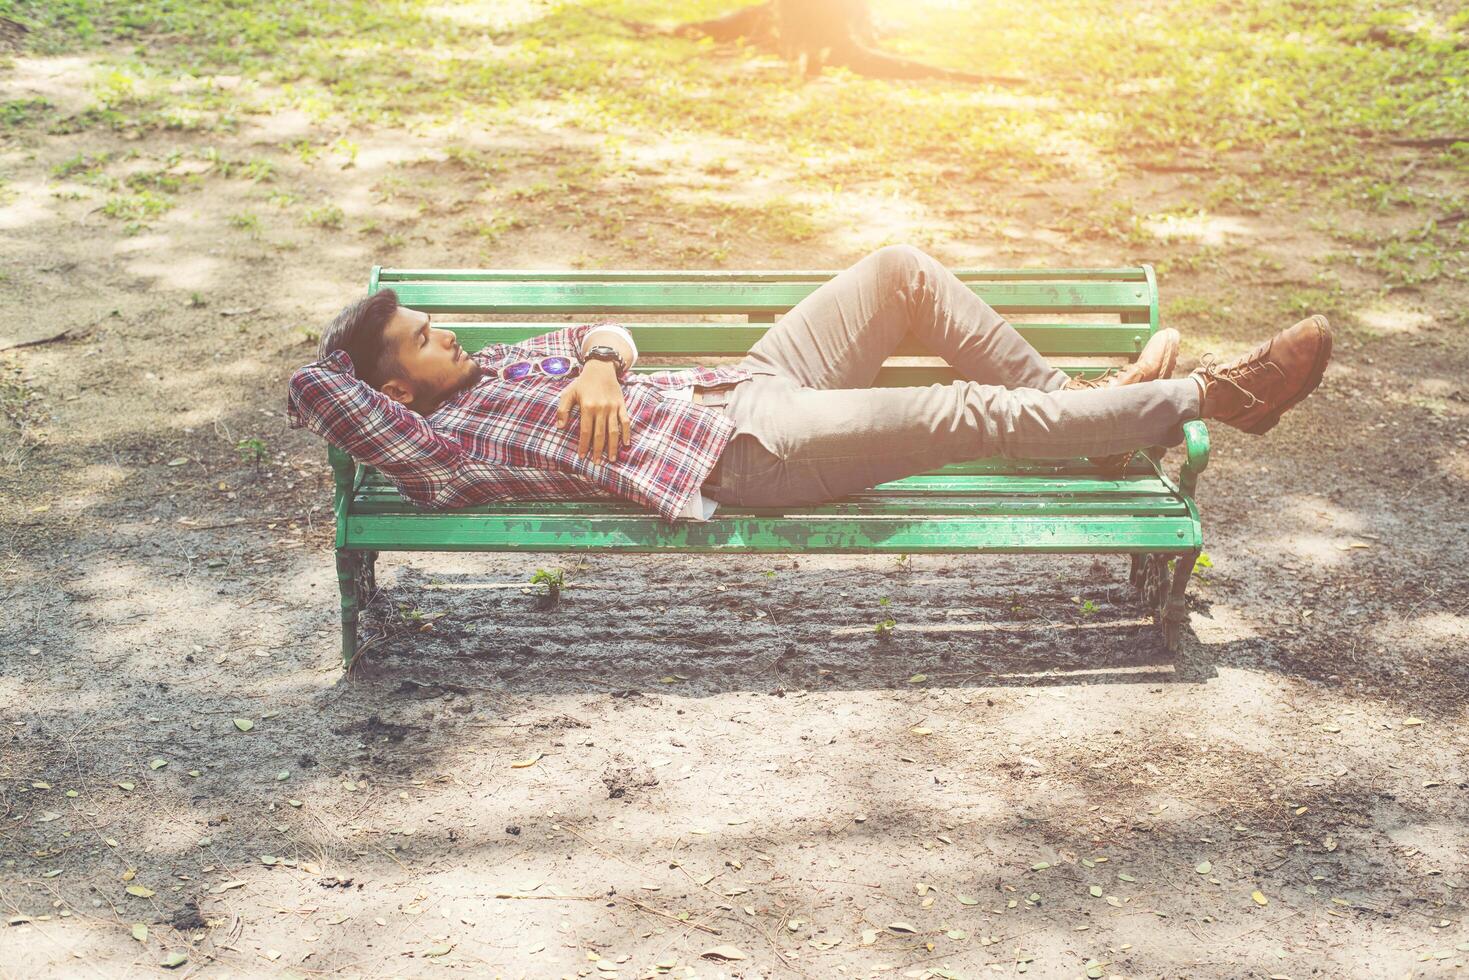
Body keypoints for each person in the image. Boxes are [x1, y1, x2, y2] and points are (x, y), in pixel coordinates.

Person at [287, 244, 1332, 521]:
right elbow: (313, 390)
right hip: (742, 451)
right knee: (954, 412)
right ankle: (1215, 397)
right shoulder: (442, 444)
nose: (450, 332)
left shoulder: (507, 362)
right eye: (424, 339)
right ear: (399, 393)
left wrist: (602, 359)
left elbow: (600, 325)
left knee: (897, 273)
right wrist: (342, 348)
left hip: (745, 381)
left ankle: (1089, 420)